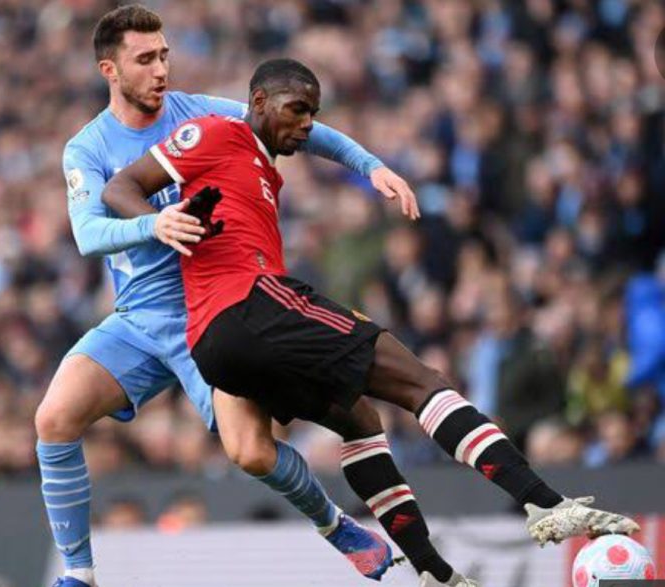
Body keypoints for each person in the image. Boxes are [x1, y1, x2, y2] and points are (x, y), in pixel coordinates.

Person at [103, 57, 641, 587]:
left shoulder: (263, 165)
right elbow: (120, 187)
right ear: (259, 102)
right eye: (297, 109)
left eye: (313, 113)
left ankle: (434, 574)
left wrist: (370, 166)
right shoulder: (218, 132)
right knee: (421, 381)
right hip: (250, 303)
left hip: (219, 344)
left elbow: (325, 145)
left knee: (359, 420)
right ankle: (544, 503)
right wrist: (157, 222)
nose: (307, 124)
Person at [37, 6, 421, 587]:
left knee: (252, 453)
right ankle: (79, 574)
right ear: (109, 70)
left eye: (164, 55)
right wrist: (154, 224)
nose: (161, 70)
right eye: (145, 60)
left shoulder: (200, 114)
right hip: (139, 318)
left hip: (213, 311)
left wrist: (369, 166)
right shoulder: (86, 148)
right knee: (53, 419)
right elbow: (89, 234)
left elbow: (297, 124)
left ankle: (334, 524)